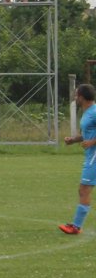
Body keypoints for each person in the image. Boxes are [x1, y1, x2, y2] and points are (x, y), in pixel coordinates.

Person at [60, 84, 96, 234]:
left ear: (82, 97)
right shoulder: (87, 112)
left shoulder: (94, 112)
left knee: (84, 189)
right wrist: (74, 140)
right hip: (90, 155)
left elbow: (91, 138)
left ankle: (76, 227)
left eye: (76, 95)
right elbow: (87, 134)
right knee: (84, 190)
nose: (75, 98)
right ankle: (76, 226)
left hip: (94, 156)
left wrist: (92, 142)